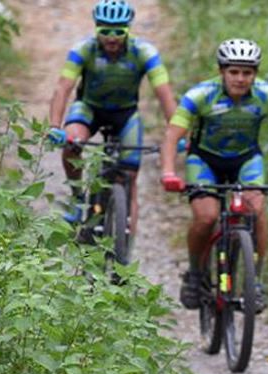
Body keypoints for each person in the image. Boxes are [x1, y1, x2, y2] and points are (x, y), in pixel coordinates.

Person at [160, 38, 268, 313]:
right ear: (222, 71)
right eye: (234, 72)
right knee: (206, 216)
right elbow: (173, 135)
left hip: (246, 160)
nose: (241, 79)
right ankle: (195, 273)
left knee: (256, 209)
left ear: (255, 74)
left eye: (247, 73)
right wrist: (169, 172)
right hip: (205, 160)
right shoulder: (200, 95)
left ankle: (255, 280)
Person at [47, 0, 176, 237]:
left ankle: (125, 246)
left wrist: (176, 133)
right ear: (96, 28)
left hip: (126, 114)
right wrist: (55, 127)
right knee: (72, 141)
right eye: (105, 30)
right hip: (89, 109)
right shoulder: (83, 49)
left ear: (129, 29)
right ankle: (77, 198)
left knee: (130, 179)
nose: (112, 37)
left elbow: (164, 93)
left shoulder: (144, 52)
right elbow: (62, 88)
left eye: (119, 30)